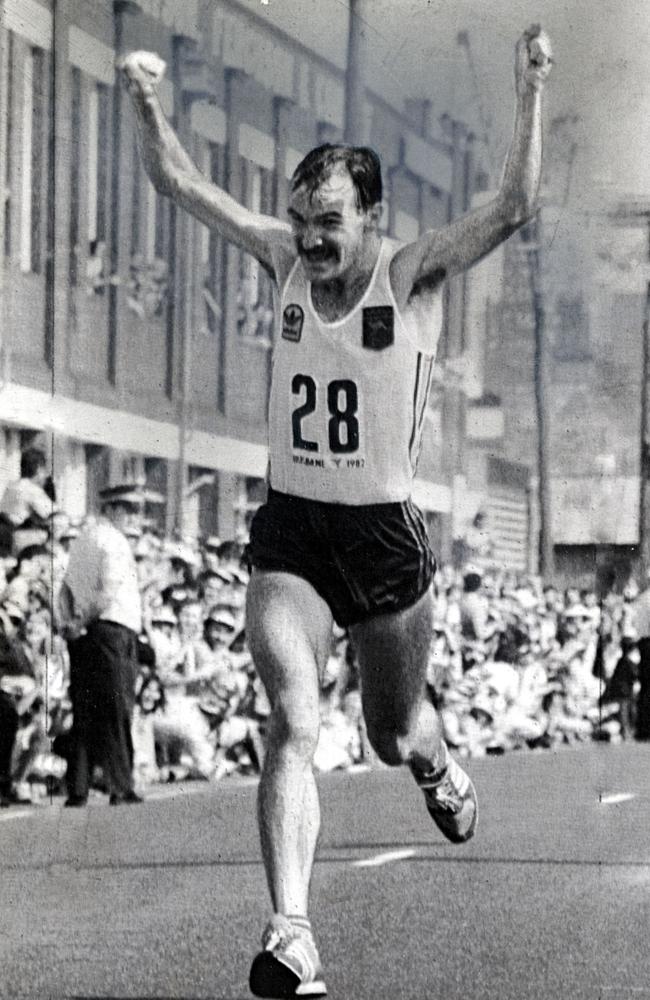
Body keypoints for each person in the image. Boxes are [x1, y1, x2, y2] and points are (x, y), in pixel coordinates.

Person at [120, 25, 553, 998]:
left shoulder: (412, 276)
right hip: (293, 533)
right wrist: (145, 99)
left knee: (392, 733)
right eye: (299, 219)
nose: (309, 239)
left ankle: (435, 762)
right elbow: (181, 189)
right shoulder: (280, 261)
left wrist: (529, 80)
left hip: (383, 541)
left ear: (370, 217)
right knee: (292, 719)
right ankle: (291, 935)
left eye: (327, 221)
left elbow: (518, 204)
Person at [58, 485, 145, 806]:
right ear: (111, 509)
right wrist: (80, 622)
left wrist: (69, 624)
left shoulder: (83, 539)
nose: (131, 516)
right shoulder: (114, 542)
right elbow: (107, 592)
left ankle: (78, 787)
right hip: (111, 631)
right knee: (116, 708)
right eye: (126, 508)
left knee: (85, 709)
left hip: (86, 634)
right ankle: (119, 785)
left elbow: (66, 588)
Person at [0, 447, 54, 556]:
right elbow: (52, 513)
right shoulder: (32, 489)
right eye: (45, 471)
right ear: (39, 469)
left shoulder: (11, 486)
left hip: (6, 536)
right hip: (19, 538)